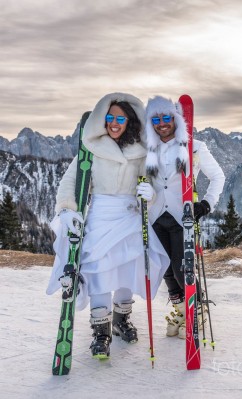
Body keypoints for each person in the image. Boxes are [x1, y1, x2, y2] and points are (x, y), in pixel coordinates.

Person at [47, 92, 170, 359]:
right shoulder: (91, 148)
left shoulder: (141, 152)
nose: (115, 123)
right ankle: (100, 330)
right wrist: (67, 210)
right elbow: (71, 181)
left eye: (121, 119)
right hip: (101, 215)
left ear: (130, 122)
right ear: (103, 119)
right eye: (110, 117)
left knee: (129, 266)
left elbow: (153, 184)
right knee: (99, 271)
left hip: (129, 215)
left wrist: (151, 195)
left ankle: (121, 319)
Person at [144, 95, 225, 338]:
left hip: (183, 217)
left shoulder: (195, 147)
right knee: (165, 270)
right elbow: (143, 180)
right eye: (156, 119)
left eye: (166, 117)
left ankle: (196, 309)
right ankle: (181, 310)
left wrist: (207, 204)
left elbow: (218, 176)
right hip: (157, 215)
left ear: (176, 119)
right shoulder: (148, 149)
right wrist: (145, 191)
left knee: (182, 270)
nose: (162, 123)